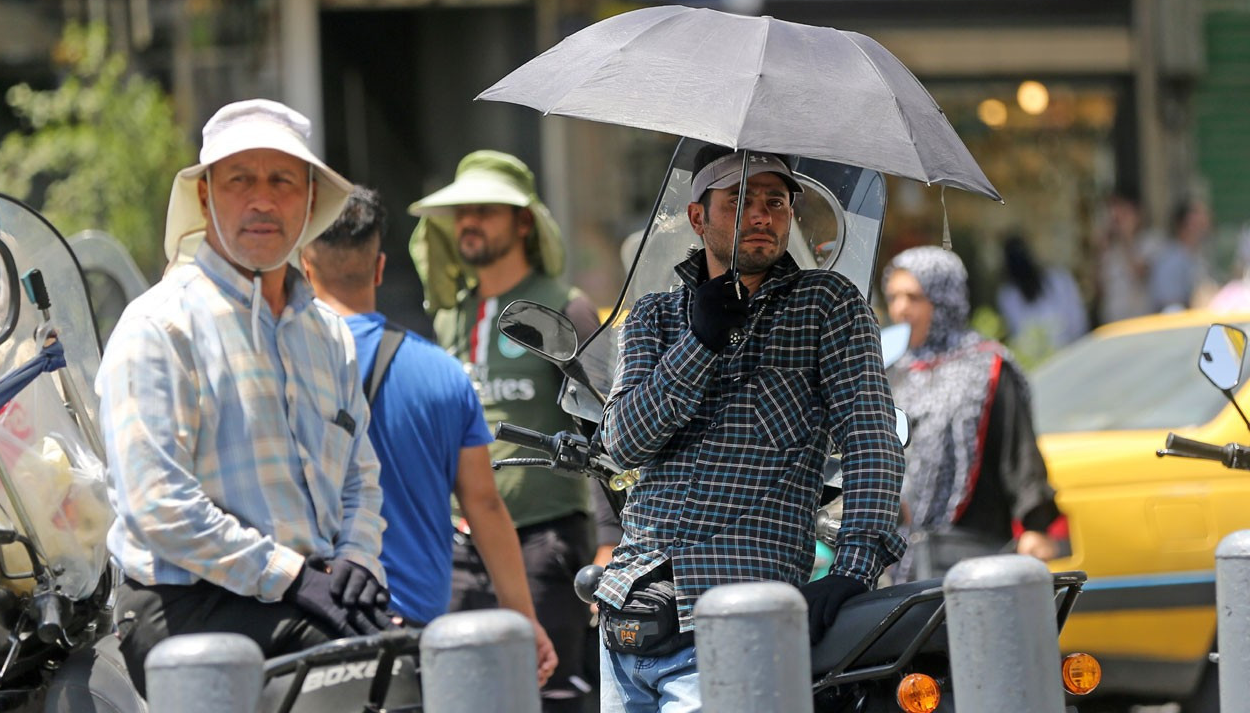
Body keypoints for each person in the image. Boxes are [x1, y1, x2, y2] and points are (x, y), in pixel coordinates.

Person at [594, 145, 906, 712]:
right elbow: (622, 444)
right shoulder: (656, 316)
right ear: (697, 217)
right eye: (739, 200)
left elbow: (872, 444)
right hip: (631, 606)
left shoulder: (828, 307)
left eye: (776, 202)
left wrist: (855, 568)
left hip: (738, 609)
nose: (762, 216)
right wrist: (699, 343)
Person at [96, 99, 391, 694]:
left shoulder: (328, 333)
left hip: (302, 596)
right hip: (183, 603)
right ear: (205, 197)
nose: (262, 199)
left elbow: (361, 474)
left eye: (282, 180)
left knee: (411, 658)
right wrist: (291, 577)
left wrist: (357, 558)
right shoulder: (158, 324)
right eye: (240, 180)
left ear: (309, 200)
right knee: (357, 670)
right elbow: (158, 506)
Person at [299, 185, 558, 684]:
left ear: (305, 267)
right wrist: (523, 617)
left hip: (309, 622)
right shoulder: (443, 373)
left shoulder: (285, 366)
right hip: (414, 635)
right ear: (379, 268)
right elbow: (483, 504)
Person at [407, 150, 601, 712]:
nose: (470, 222)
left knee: (550, 698)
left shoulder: (566, 308)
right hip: (459, 548)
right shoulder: (449, 315)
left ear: (524, 222)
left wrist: (609, 536)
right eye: (463, 211)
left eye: (487, 210)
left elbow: (603, 432)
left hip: (545, 544)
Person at [882, 245, 1060, 584]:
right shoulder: (892, 370)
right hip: (905, 556)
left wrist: (1036, 527)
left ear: (944, 299)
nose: (900, 309)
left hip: (978, 548)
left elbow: (1018, 450)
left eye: (913, 297)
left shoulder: (987, 367)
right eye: (893, 297)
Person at [996, 233, 1088, 365]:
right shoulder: (1008, 295)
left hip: (1068, 357)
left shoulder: (1059, 280)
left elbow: (1078, 324)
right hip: (1039, 365)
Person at [1093, 191, 1151, 325]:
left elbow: (1140, 274)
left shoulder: (1150, 243)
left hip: (1141, 323)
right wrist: (1099, 255)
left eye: (1125, 214)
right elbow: (1099, 292)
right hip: (1112, 323)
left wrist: (1126, 239)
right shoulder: (1109, 251)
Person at [1148, 198, 1214, 313]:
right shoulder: (1169, 260)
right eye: (1199, 214)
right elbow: (1169, 307)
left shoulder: (1199, 256)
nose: (1205, 219)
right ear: (1186, 223)